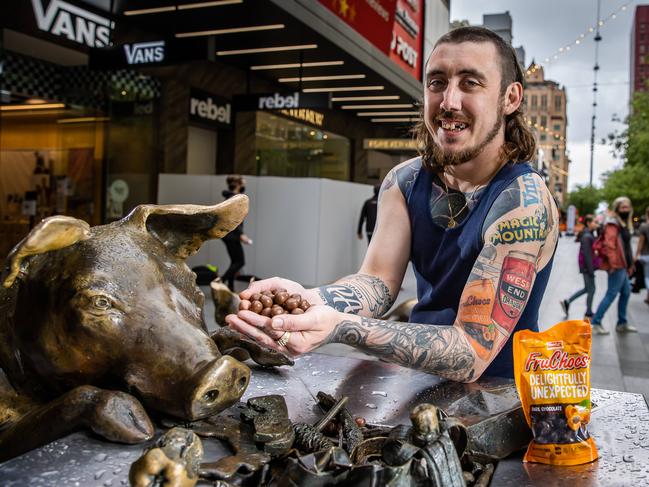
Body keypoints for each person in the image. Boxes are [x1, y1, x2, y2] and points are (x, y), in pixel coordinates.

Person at [226, 27, 559, 381]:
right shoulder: (406, 181)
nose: (448, 101)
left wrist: (340, 326)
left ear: (510, 98)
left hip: (500, 405)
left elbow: (470, 353)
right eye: (436, 82)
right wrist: (309, 301)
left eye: (470, 83)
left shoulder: (524, 204)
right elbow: (378, 282)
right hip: (418, 386)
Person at [590, 197, 637, 334]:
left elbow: (626, 246)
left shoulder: (623, 224)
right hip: (617, 266)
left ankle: (622, 323)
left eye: (627, 207)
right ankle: (595, 322)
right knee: (611, 294)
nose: (626, 210)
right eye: (623, 207)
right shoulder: (613, 223)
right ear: (617, 208)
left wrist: (630, 264)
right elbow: (609, 246)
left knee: (626, 292)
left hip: (623, 265)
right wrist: (614, 264)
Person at [560, 215, 599, 320]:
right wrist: (590, 270)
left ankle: (567, 302)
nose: (597, 224)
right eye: (595, 222)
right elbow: (587, 255)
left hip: (586, 267)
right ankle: (588, 313)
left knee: (588, 289)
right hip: (587, 267)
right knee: (591, 289)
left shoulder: (589, 234)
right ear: (588, 223)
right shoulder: (587, 236)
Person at [221, 175, 252, 291]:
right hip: (232, 235)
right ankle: (222, 280)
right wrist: (241, 234)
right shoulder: (235, 199)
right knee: (240, 261)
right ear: (238, 184)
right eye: (243, 183)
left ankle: (230, 286)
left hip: (228, 235)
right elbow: (234, 219)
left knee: (235, 261)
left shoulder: (230, 198)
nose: (245, 185)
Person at [635, 206, 649, 305]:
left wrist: (636, 254)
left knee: (647, 277)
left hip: (646, 255)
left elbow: (641, 242)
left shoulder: (644, 226)